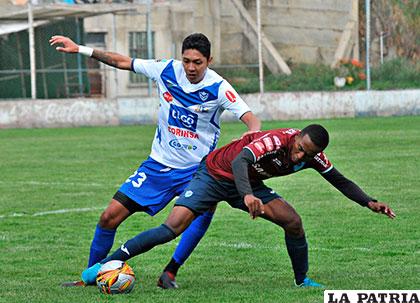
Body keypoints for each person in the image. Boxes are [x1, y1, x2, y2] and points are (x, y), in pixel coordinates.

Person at [50, 33, 261, 288]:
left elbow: (250, 117)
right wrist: (81, 49)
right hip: (157, 166)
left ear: (209, 61)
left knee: (201, 214)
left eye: (198, 62)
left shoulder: (219, 87)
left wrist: (252, 133)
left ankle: (169, 273)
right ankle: (92, 276)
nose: (191, 68)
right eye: (187, 61)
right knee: (109, 217)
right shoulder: (166, 70)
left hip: (196, 172)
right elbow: (122, 62)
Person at [80, 124, 395, 288]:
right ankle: (101, 266)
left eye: (307, 155)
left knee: (293, 222)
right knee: (171, 228)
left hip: (249, 185)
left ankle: (302, 281)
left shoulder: (312, 156)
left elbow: (339, 180)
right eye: (299, 149)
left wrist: (369, 202)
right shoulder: (275, 140)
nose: (300, 157)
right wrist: (246, 196)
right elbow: (242, 159)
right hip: (214, 175)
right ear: (296, 137)